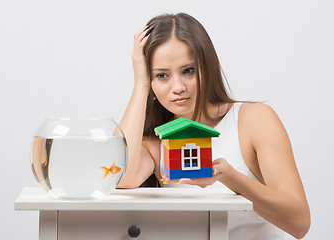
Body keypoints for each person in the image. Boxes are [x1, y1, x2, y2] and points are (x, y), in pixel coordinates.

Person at [117, 12, 310, 239]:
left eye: (188, 71)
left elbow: (299, 223)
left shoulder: (252, 120)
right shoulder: (155, 143)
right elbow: (121, 176)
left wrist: (227, 175)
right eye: (162, 76)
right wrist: (140, 84)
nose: (177, 86)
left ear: (207, 67)